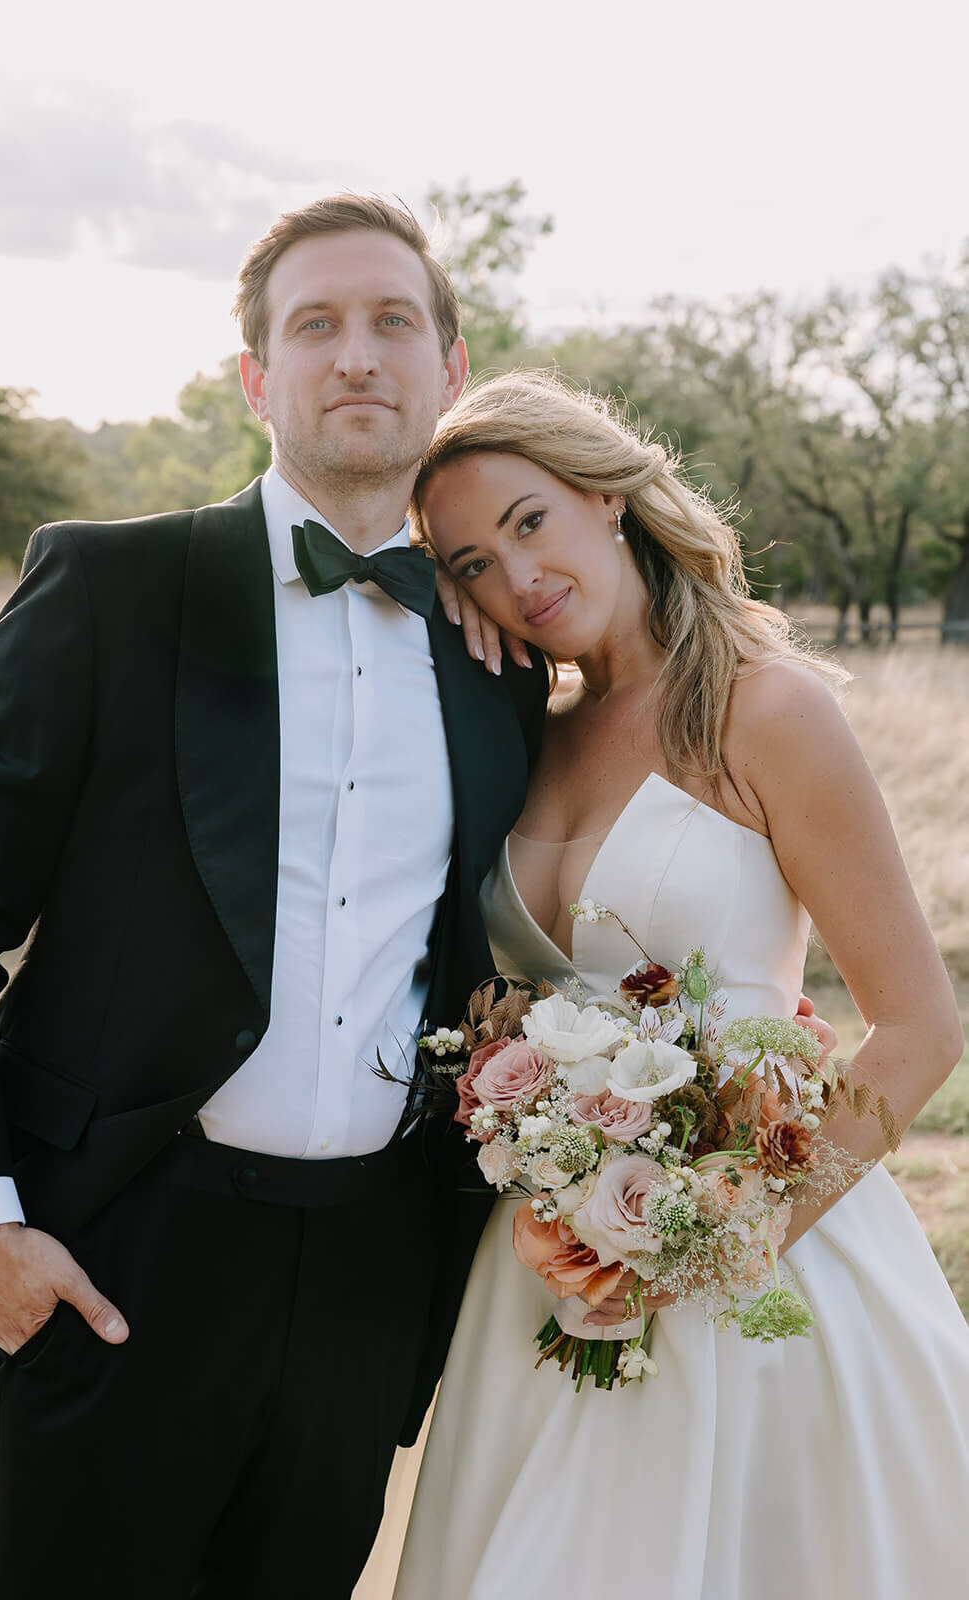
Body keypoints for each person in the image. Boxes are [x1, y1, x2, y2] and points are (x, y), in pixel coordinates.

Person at [0, 195, 552, 1600]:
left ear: (448, 364)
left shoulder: (498, 657)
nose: (357, 356)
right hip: (121, 1248)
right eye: (312, 324)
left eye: (392, 321)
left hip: (375, 1270)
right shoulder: (110, 588)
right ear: (256, 375)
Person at [392, 370, 969, 1599]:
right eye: (471, 563)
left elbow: (918, 1027)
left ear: (605, 495)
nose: (515, 574)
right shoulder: (522, 737)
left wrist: (727, 1240)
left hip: (756, 1250)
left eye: (527, 520)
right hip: (549, 1261)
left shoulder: (764, 709)